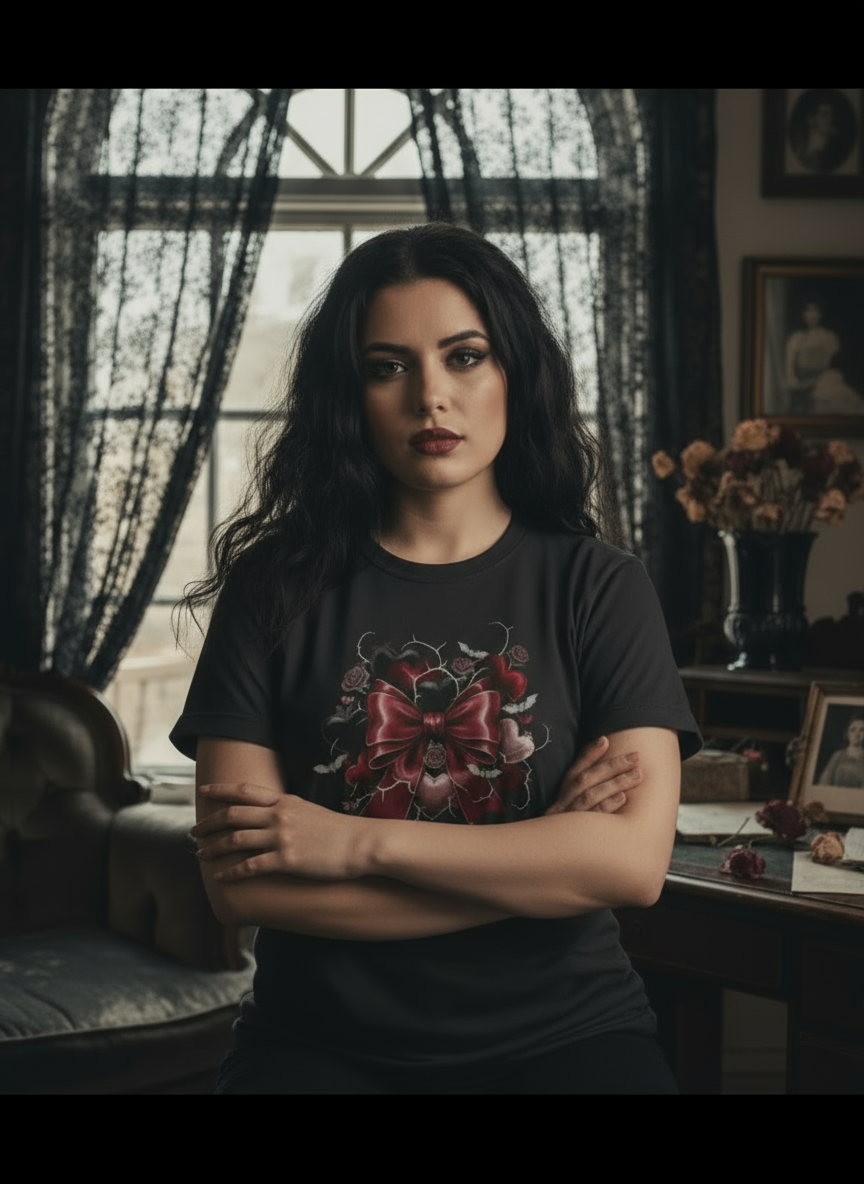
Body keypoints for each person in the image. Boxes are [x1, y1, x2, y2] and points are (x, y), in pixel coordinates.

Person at [171, 223, 701, 1094]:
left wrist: (348, 844)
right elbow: (246, 890)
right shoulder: (272, 588)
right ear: (350, 394)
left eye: (465, 357)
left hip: (570, 1037)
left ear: (513, 373)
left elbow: (630, 868)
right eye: (389, 366)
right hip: (317, 1047)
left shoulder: (601, 586)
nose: (431, 398)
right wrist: (541, 859)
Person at [818, 712, 864, 789]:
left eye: (862, 730)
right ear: (847, 734)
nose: (857, 734)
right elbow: (824, 782)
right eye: (853, 730)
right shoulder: (837, 755)